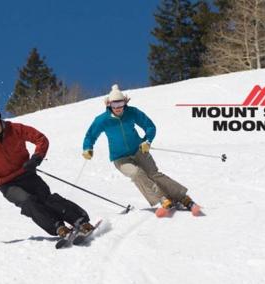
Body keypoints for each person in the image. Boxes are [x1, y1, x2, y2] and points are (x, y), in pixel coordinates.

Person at [0, 100, 95, 238]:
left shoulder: (15, 129)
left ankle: (80, 220)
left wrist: (36, 158)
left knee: (47, 199)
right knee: (28, 202)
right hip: (6, 183)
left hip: (26, 173)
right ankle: (57, 227)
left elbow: (41, 139)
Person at [82, 84, 200, 217]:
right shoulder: (102, 120)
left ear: (125, 102)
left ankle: (183, 197)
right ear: (109, 104)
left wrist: (147, 141)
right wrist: (87, 148)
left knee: (154, 174)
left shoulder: (132, 112)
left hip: (138, 150)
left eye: (121, 104)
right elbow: (90, 135)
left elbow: (149, 126)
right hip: (120, 158)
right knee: (137, 173)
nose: (118, 108)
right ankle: (162, 199)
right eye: (115, 105)